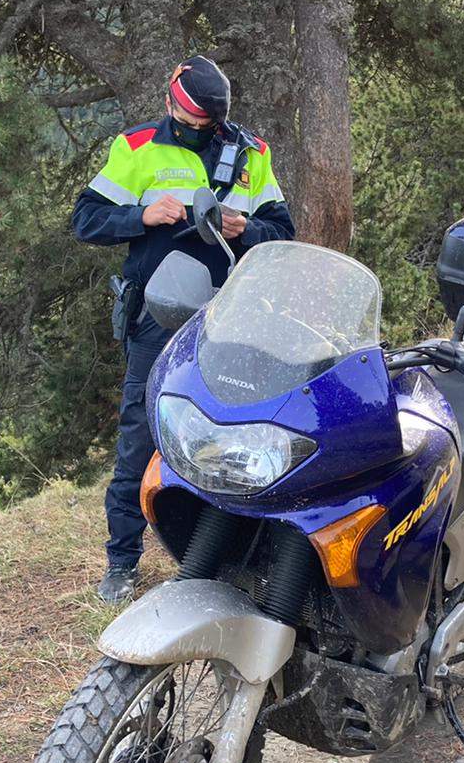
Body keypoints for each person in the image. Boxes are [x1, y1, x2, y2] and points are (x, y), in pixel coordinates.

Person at [72, 56, 296, 604]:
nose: (198, 129)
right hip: (157, 315)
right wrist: (141, 217)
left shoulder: (251, 154)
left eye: (207, 124)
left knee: (233, 436)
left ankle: (222, 555)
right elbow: (85, 219)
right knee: (142, 435)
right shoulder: (138, 147)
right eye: (191, 119)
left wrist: (245, 229)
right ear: (173, 103)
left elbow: (283, 231)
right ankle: (122, 562)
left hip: (230, 316)